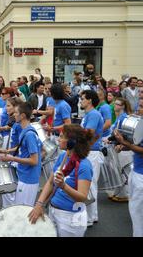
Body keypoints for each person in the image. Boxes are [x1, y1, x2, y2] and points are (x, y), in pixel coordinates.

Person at [29, 124, 94, 237]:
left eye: (61, 136)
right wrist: (39, 204)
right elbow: (50, 182)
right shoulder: (62, 156)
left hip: (70, 218)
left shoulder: (84, 165)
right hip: (53, 210)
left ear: (71, 142)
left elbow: (82, 197)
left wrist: (64, 186)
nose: (58, 139)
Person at [0, 103, 42, 208]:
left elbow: (34, 160)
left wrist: (12, 158)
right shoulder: (26, 130)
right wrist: (7, 151)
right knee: (19, 208)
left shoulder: (29, 134)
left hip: (28, 179)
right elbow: (25, 148)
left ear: (23, 116)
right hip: (24, 175)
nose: (14, 115)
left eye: (16, 112)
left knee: (22, 211)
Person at [80, 89, 104, 227]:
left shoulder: (93, 114)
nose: (81, 101)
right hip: (89, 151)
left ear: (89, 100)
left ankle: (91, 216)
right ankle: (91, 215)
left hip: (92, 152)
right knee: (88, 184)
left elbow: (89, 133)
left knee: (90, 184)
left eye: (83, 98)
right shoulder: (89, 114)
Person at [113, 127, 143, 237]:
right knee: (136, 212)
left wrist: (126, 143)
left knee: (138, 213)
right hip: (136, 172)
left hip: (141, 176)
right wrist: (123, 146)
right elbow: (137, 145)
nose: (138, 110)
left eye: (140, 108)